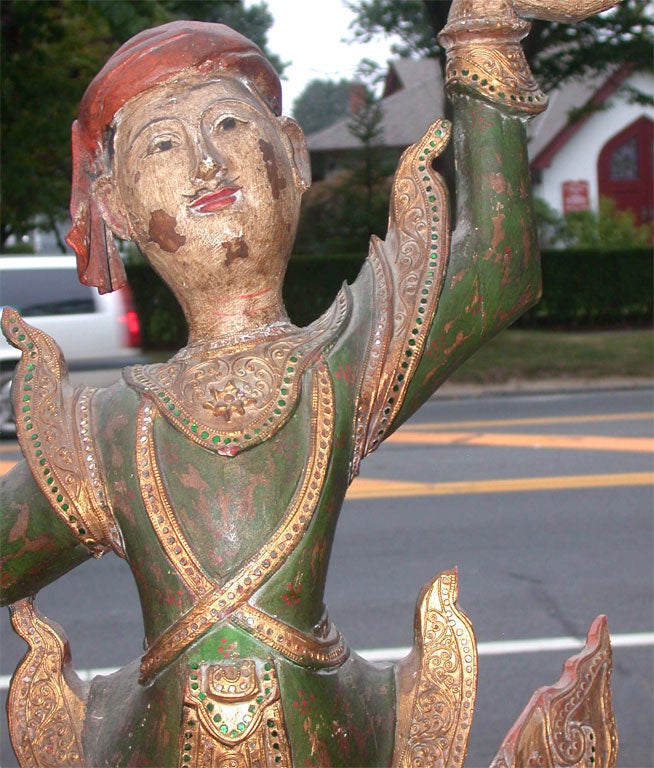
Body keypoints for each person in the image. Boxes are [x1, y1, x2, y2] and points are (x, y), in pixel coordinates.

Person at [0, 2, 614, 766]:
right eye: (162, 142)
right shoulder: (102, 431)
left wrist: (482, 29)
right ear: (117, 207)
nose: (206, 164)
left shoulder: (343, 360)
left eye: (227, 125)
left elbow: (496, 261)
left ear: (292, 154)